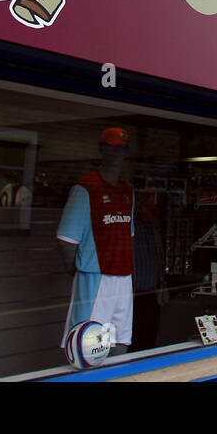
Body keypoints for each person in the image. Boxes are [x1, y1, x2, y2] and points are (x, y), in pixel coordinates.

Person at [57, 127, 135, 353]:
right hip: (95, 275)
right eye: (111, 148)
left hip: (123, 276)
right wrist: (79, 269)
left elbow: (129, 238)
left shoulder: (127, 190)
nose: (115, 154)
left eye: (120, 149)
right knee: (85, 341)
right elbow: (66, 240)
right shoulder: (85, 188)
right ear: (101, 150)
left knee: (119, 339)